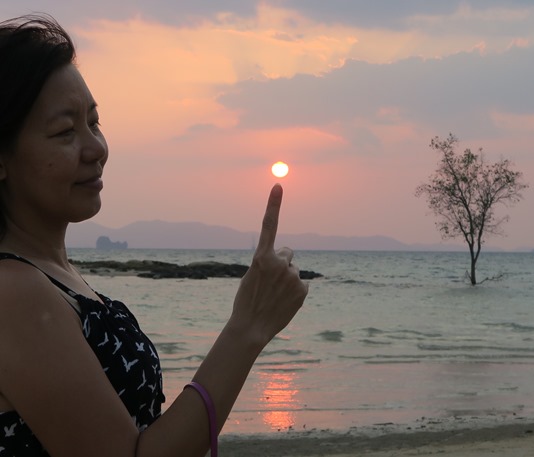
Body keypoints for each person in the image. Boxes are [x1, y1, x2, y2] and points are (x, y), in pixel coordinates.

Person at [0, 14, 308, 457]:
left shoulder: (54, 277)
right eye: (65, 131)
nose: (96, 148)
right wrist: (248, 327)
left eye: (94, 122)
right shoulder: (13, 292)